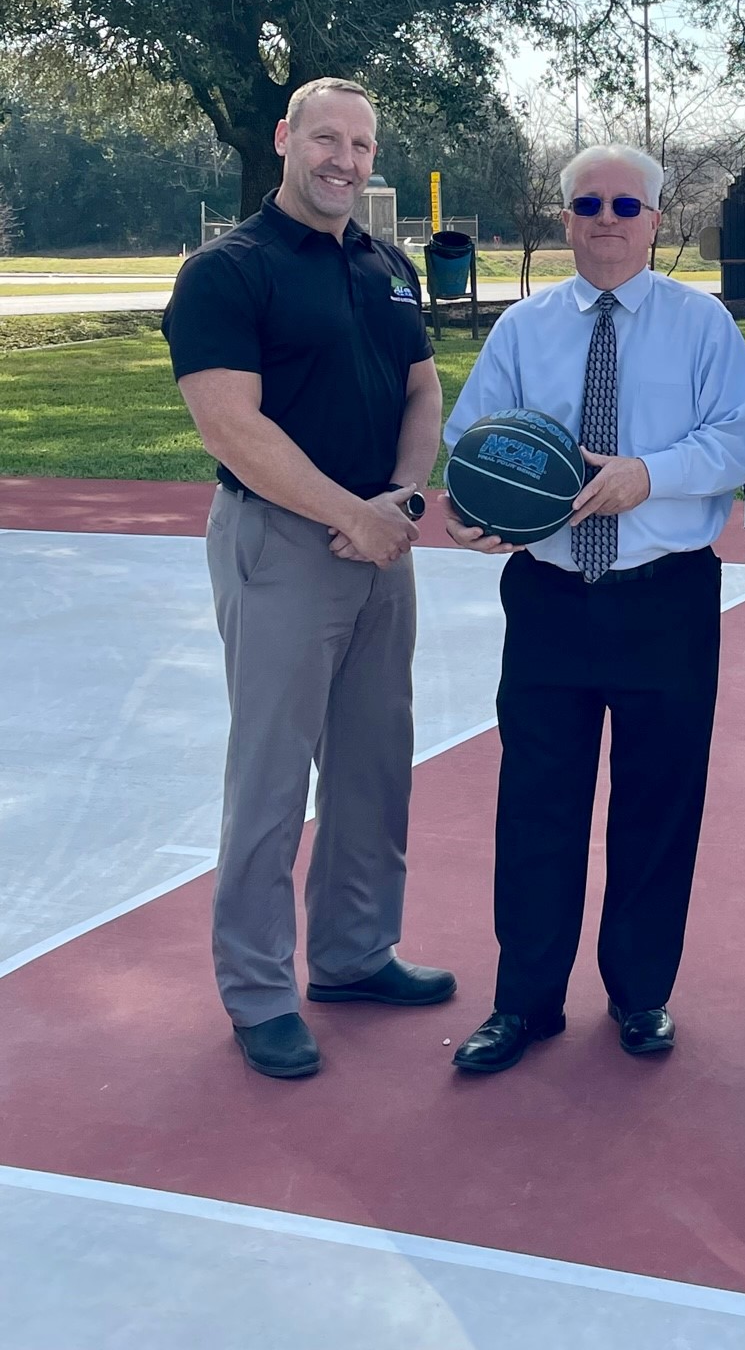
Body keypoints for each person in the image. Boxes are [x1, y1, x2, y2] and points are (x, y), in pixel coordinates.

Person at [445, 144, 745, 1075]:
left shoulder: (702, 325)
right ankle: (525, 1003)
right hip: (547, 599)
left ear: (658, 220)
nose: (609, 218)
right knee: (537, 804)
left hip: (663, 598)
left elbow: (738, 441)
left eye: (629, 203)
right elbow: (473, 441)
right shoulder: (523, 329)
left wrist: (646, 477)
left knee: (659, 804)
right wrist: (473, 509)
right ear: (567, 217)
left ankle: (639, 995)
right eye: (589, 202)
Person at [162, 78, 453, 1081]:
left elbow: (423, 385)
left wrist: (406, 497)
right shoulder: (227, 272)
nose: (346, 160)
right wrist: (351, 515)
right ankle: (258, 992)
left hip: (383, 537)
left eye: (363, 144)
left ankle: (354, 953)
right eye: (326, 138)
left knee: (375, 762)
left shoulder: (388, 265)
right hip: (286, 543)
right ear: (286, 139)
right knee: (273, 776)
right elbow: (231, 426)